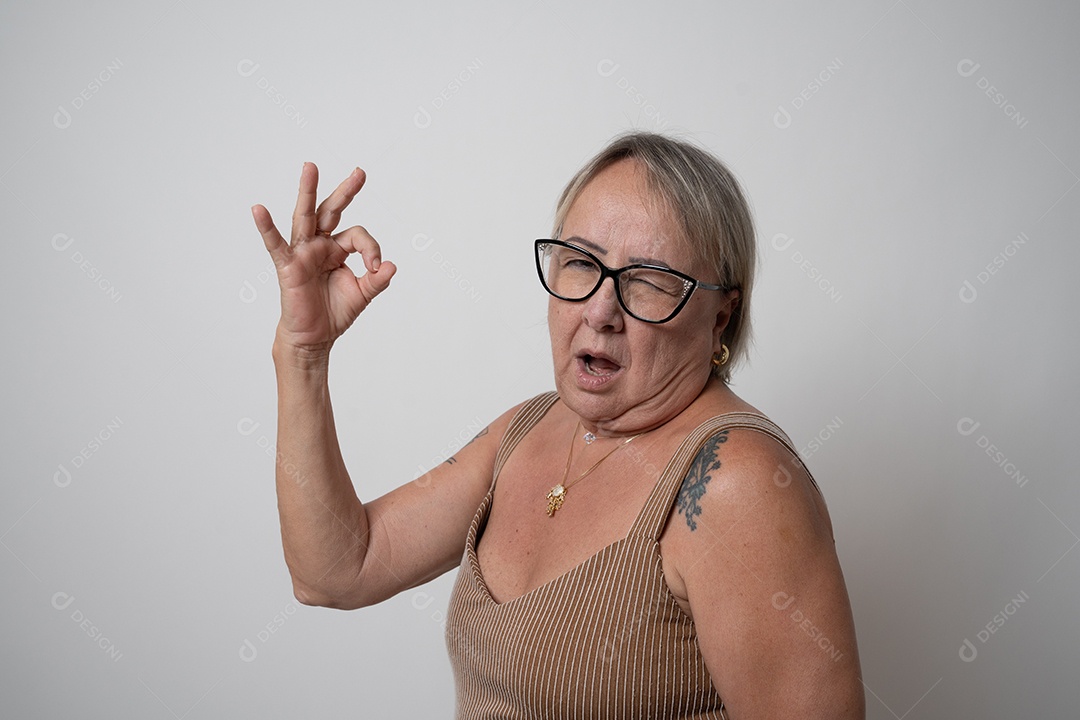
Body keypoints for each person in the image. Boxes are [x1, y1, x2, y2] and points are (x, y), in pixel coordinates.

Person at [251, 132, 864, 719]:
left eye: (649, 282)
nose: (600, 312)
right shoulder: (533, 427)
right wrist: (303, 352)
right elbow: (336, 570)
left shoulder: (737, 483)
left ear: (721, 316)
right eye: (579, 263)